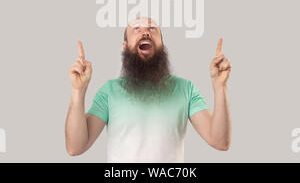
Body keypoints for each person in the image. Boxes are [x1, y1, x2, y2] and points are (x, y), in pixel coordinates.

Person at [65, 17, 232, 162]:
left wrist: (220, 87)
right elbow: (75, 147)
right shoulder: (109, 91)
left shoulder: (186, 89)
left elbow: (220, 142)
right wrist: (78, 91)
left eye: (152, 28)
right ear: (125, 46)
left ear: (162, 44)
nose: (145, 33)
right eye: (136, 28)